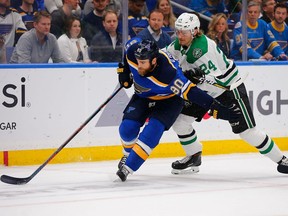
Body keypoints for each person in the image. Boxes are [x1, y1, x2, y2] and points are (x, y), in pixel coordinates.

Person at [165, 12, 288, 175]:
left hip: (229, 89)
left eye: (184, 32)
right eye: (178, 31)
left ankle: (282, 160)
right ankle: (193, 155)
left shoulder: (202, 50)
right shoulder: (178, 45)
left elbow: (220, 81)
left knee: (247, 132)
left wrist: (201, 77)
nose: (179, 35)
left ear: (194, 31)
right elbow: (163, 57)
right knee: (180, 122)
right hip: (205, 92)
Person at [115, 38, 241, 182]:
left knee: (153, 130)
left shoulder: (169, 74)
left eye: (143, 63)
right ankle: (127, 153)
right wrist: (123, 70)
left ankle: (128, 168)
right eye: (137, 61)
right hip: (144, 96)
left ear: (154, 61)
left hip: (169, 100)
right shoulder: (133, 52)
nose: (138, 66)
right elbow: (128, 51)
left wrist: (215, 108)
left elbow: (193, 93)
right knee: (127, 128)